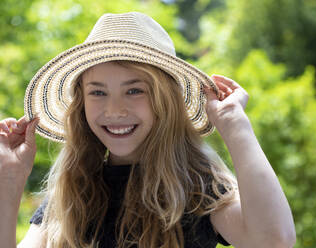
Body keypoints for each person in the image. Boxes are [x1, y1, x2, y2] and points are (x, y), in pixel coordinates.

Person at [0, 12, 296, 248]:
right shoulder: (71, 193)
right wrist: (10, 180)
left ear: (165, 101)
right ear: (81, 105)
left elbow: (273, 240)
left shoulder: (197, 188)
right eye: (98, 93)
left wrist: (234, 123)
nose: (115, 110)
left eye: (134, 91)